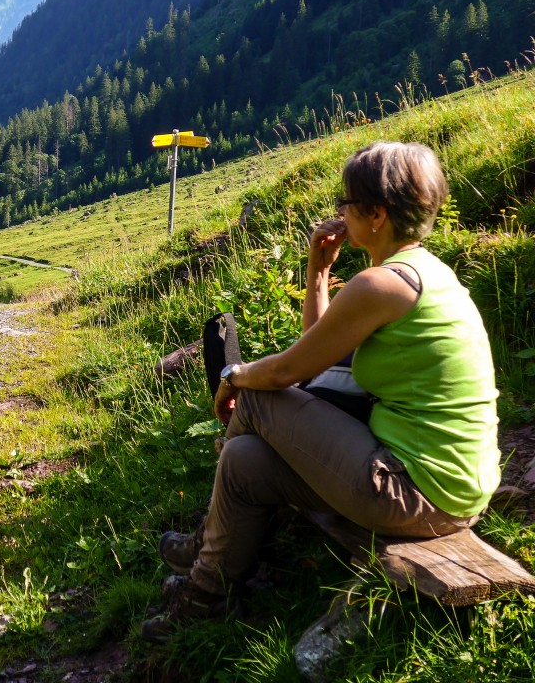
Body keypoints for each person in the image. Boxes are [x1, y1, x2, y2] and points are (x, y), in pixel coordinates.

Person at [143, 141, 500, 641]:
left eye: (347, 203)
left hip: (416, 492)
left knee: (260, 399)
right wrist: (319, 271)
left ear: (376, 214)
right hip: (438, 485)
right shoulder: (423, 275)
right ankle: (209, 589)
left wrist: (232, 379)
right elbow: (323, 351)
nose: (339, 212)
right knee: (245, 459)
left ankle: (205, 557)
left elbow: (288, 371)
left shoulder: (382, 286)